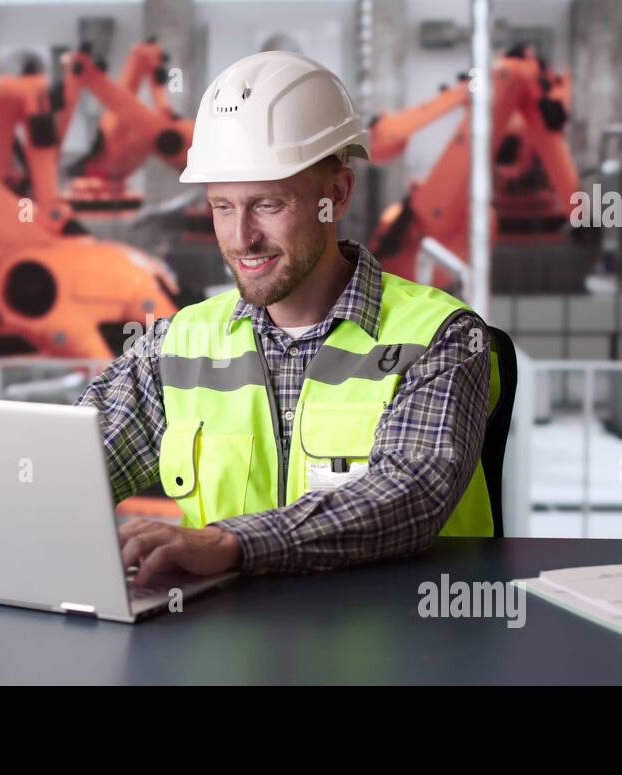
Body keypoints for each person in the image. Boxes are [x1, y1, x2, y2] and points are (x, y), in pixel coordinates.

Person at [76, 51, 497, 585]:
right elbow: (72, 468)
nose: (240, 238)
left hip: (399, 652)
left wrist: (231, 544)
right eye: (221, 207)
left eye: (267, 204)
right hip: (222, 655)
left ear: (336, 195)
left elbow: (410, 492)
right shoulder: (174, 347)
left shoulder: (441, 337)